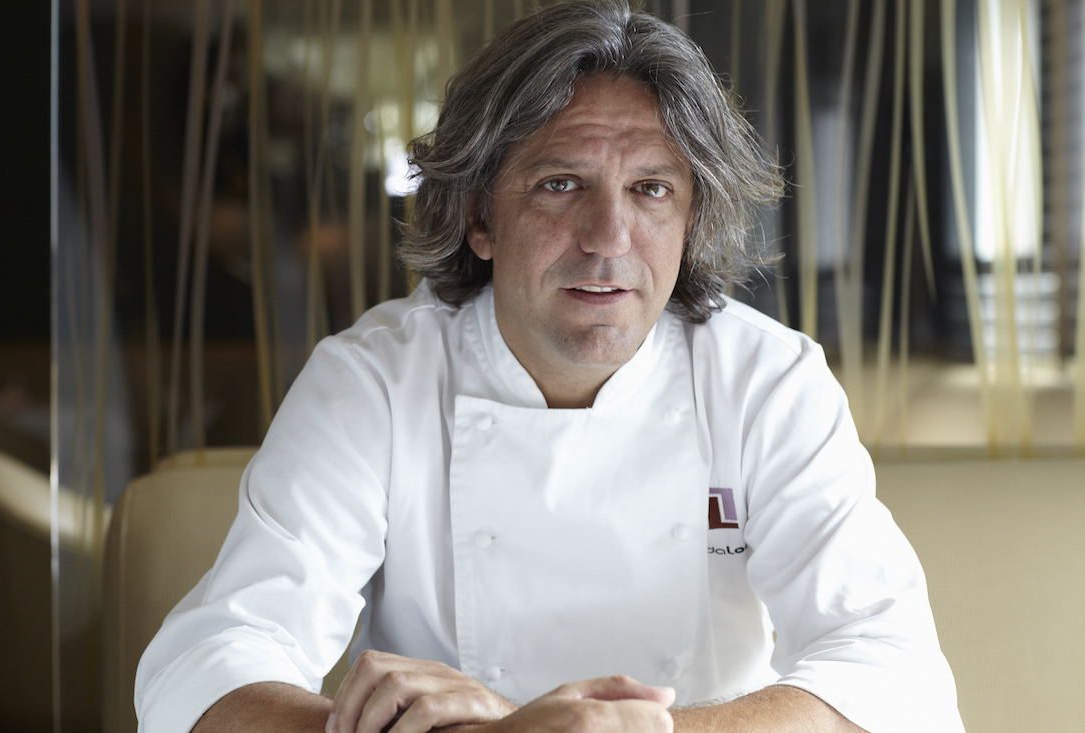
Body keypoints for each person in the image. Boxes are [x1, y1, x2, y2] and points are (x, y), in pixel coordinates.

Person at [135, 2, 965, 732]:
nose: (609, 237)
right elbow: (208, 665)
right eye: (561, 184)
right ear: (480, 216)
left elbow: (897, 677)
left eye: (651, 189)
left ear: (692, 217)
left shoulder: (767, 382)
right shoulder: (377, 384)